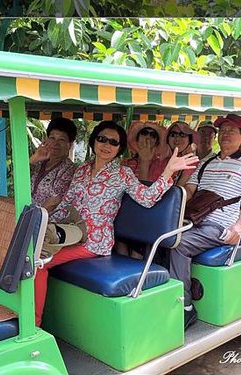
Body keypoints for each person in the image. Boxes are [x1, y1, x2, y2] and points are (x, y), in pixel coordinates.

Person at [34, 120, 199, 326]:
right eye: (102, 139)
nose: (106, 145)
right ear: (94, 141)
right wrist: (41, 224)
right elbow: (67, 203)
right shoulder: (82, 169)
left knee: (37, 264)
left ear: (119, 148)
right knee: (29, 250)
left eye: (113, 142)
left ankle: (34, 326)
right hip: (70, 233)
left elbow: (147, 198)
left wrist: (168, 172)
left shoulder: (122, 174)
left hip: (94, 241)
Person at [169, 114, 241, 329]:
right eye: (223, 131)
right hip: (194, 220)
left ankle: (186, 308)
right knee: (157, 236)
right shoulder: (207, 161)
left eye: (232, 131)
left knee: (177, 245)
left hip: (220, 226)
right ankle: (164, 298)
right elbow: (189, 190)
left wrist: (239, 225)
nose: (226, 134)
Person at [29, 117, 78, 212]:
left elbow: (54, 201)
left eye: (62, 140)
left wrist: (34, 219)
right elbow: (18, 180)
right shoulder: (39, 163)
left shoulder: (70, 169)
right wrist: (34, 158)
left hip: (47, 222)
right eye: (52, 138)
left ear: (70, 145)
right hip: (27, 215)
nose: (55, 143)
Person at [166, 121, 199, 187]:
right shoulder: (160, 159)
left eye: (182, 135)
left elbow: (178, 189)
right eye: (173, 135)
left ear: (189, 140)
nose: (177, 138)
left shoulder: (191, 162)